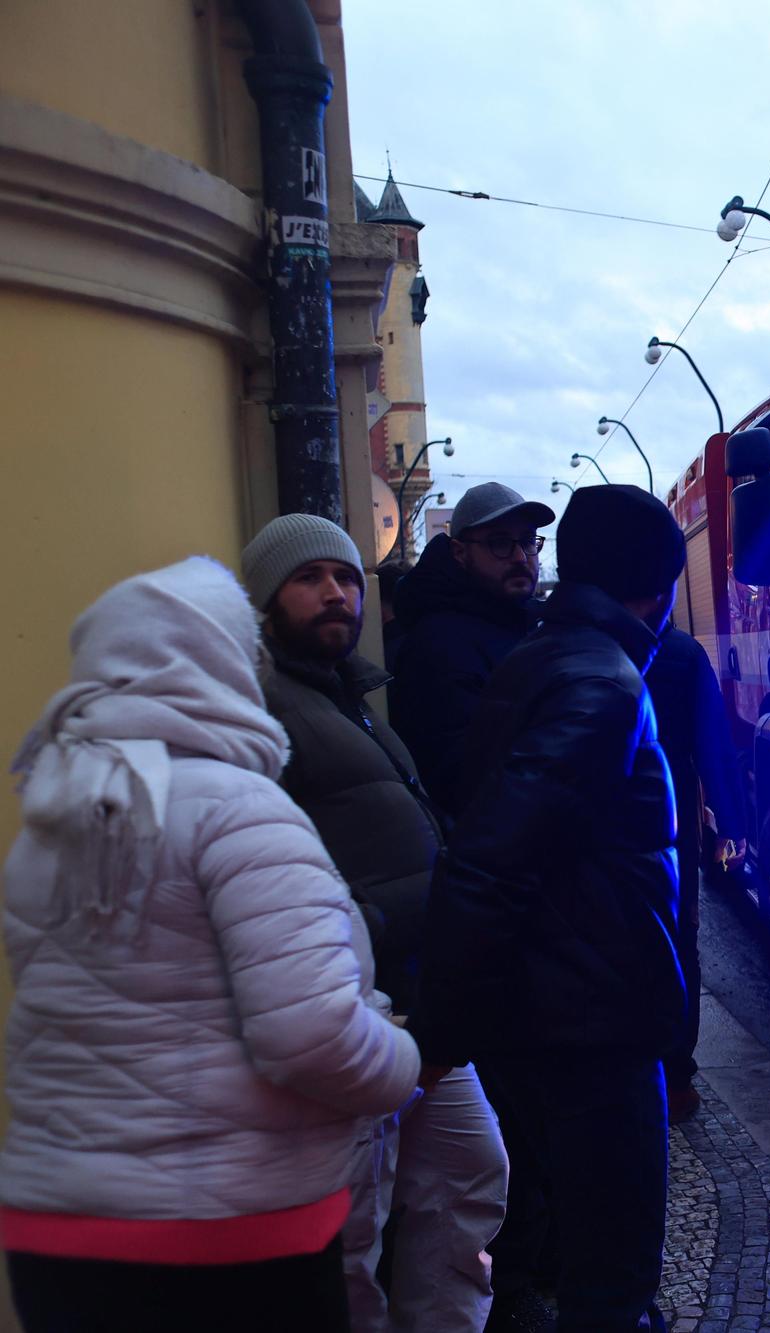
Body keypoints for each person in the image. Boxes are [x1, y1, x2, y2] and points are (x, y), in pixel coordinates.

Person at [0, 558, 418, 1333]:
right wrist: (404, 1059)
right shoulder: (238, 808)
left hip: (54, 1229)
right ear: (220, 656)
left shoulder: (58, 811)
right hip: (229, 1233)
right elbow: (314, 1036)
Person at [415, 485, 689, 1332]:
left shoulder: (546, 653)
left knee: (585, 1248)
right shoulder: (601, 683)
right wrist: (440, 1036)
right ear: (658, 584)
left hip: (560, 1005)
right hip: (592, 1019)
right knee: (613, 1272)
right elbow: (492, 858)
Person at [241, 514, 509, 1332]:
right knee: (351, 1229)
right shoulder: (256, 704)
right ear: (263, 600)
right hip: (353, 1008)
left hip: (417, 1005)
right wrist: (366, 920)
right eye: (310, 578)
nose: (336, 592)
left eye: (348, 577)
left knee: (469, 1170)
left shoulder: (353, 696)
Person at [388, 482, 555, 816]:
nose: (520, 557)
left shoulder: (534, 625)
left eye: (527, 541)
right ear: (460, 554)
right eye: (499, 544)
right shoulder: (438, 645)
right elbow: (461, 777)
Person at [645, 624, 749, 1124]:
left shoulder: (557, 641)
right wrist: (729, 822)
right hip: (670, 817)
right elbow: (714, 744)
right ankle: (677, 1080)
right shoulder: (681, 651)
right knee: (679, 941)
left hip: (596, 823)